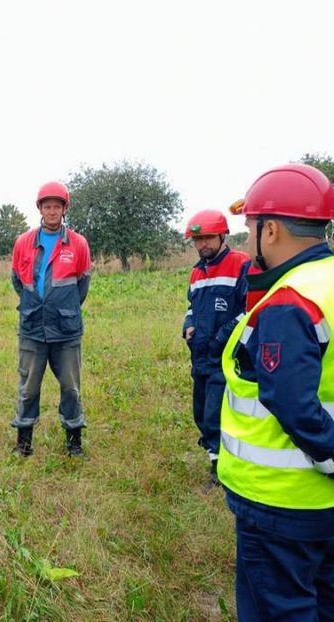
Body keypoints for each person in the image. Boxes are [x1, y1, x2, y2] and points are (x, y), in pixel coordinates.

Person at [217, 163, 334, 620]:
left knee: (279, 608)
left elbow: (290, 400)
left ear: (270, 230)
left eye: (249, 229)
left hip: (282, 502)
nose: (247, 243)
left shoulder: (293, 298)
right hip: (319, 508)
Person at [10, 181, 92, 457]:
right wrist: (37, 305)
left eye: (57, 206)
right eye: (48, 206)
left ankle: (74, 443)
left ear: (64, 209)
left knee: (70, 387)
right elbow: (17, 281)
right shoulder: (23, 242)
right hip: (32, 328)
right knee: (28, 388)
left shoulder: (78, 243)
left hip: (66, 331)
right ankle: (23, 444)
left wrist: (62, 308)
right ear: (40, 209)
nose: (52, 211)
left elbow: (82, 286)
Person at [182, 209, 249, 486]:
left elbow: (250, 309)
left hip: (227, 358)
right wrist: (187, 325)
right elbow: (191, 307)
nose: (202, 244)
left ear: (222, 235)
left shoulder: (241, 264)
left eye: (208, 238)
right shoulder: (197, 272)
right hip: (200, 356)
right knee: (200, 412)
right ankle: (216, 460)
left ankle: (221, 472)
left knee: (215, 415)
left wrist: (224, 335)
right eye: (197, 240)